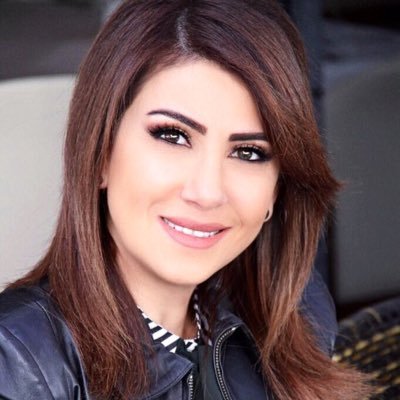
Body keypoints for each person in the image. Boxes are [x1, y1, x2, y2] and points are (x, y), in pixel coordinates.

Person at [0, 1, 369, 399]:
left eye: (249, 153)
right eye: (172, 136)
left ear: (277, 189)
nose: (207, 192)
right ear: (100, 152)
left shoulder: (299, 317)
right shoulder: (17, 363)